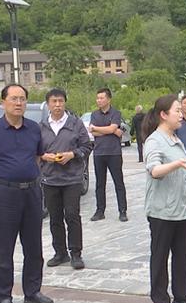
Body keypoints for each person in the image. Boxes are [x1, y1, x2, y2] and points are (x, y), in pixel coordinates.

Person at [0, 84, 54, 303]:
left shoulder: (33, 128)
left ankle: (32, 291)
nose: (19, 103)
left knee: (33, 245)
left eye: (22, 99)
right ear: (3, 102)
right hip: (3, 194)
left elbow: (38, 156)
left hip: (31, 192)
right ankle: (3, 296)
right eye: (13, 99)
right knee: (3, 247)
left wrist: (26, 175)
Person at [142, 94, 186, 303]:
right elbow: (155, 170)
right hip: (162, 211)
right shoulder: (155, 141)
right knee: (160, 257)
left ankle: (183, 295)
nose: (180, 114)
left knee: (182, 255)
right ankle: (160, 300)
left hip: (182, 209)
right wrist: (176, 164)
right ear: (163, 115)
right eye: (177, 110)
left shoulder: (176, 139)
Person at [39, 89, 92, 270]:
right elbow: (35, 151)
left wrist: (72, 154)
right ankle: (59, 252)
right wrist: (44, 157)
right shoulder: (41, 126)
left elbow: (86, 146)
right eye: (54, 101)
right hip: (50, 178)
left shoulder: (75, 123)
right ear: (48, 104)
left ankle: (75, 253)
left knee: (72, 215)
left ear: (65, 103)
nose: (57, 105)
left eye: (61, 101)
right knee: (55, 218)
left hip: (71, 179)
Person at [89, 88, 129, 222]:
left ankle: (122, 210)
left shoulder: (116, 113)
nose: (99, 100)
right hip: (99, 153)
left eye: (101, 98)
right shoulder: (94, 114)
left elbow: (112, 128)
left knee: (119, 182)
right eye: (97, 98)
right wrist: (111, 130)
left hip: (114, 153)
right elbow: (93, 132)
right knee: (100, 183)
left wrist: (103, 129)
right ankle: (100, 210)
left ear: (108, 99)